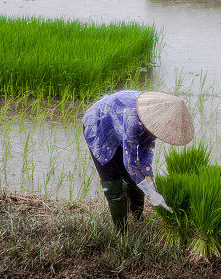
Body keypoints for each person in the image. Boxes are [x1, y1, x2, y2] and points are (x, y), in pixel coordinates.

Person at [82, 90, 194, 231]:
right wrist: (149, 192)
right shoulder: (134, 121)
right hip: (99, 124)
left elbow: (146, 153)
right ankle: (122, 232)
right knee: (113, 184)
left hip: (119, 121)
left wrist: (150, 183)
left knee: (134, 180)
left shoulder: (153, 121)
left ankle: (138, 219)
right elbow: (130, 162)